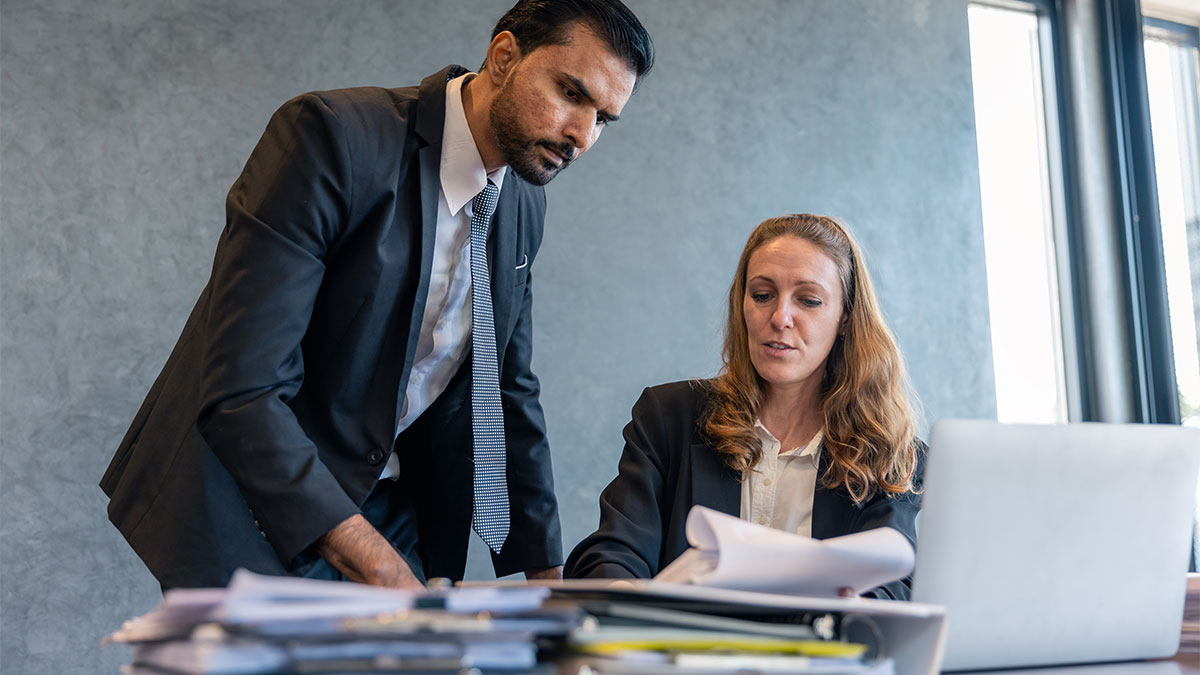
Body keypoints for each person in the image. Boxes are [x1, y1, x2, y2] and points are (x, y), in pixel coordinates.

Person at [99, 0, 654, 591]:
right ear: (503, 57)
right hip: (247, 492)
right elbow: (245, 385)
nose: (581, 135)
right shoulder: (332, 136)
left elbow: (506, 391)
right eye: (572, 92)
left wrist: (548, 579)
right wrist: (380, 564)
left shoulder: (523, 205)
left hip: (388, 501)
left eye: (603, 119)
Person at [565, 214, 923, 599]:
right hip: (681, 652)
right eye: (763, 295)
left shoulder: (891, 454)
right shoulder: (668, 417)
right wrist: (626, 600)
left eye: (809, 300)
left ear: (845, 318)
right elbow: (612, 551)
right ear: (742, 306)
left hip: (816, 654)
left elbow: (896, 587)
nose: (780, 318)